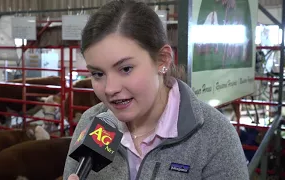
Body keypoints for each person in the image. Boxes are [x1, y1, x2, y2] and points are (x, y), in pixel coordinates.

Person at [63, 0, 249, 180]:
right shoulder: (90, 123)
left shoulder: (215, 136)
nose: (110, 89)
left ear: (162, 60)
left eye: (126, 69)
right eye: (97, 74)